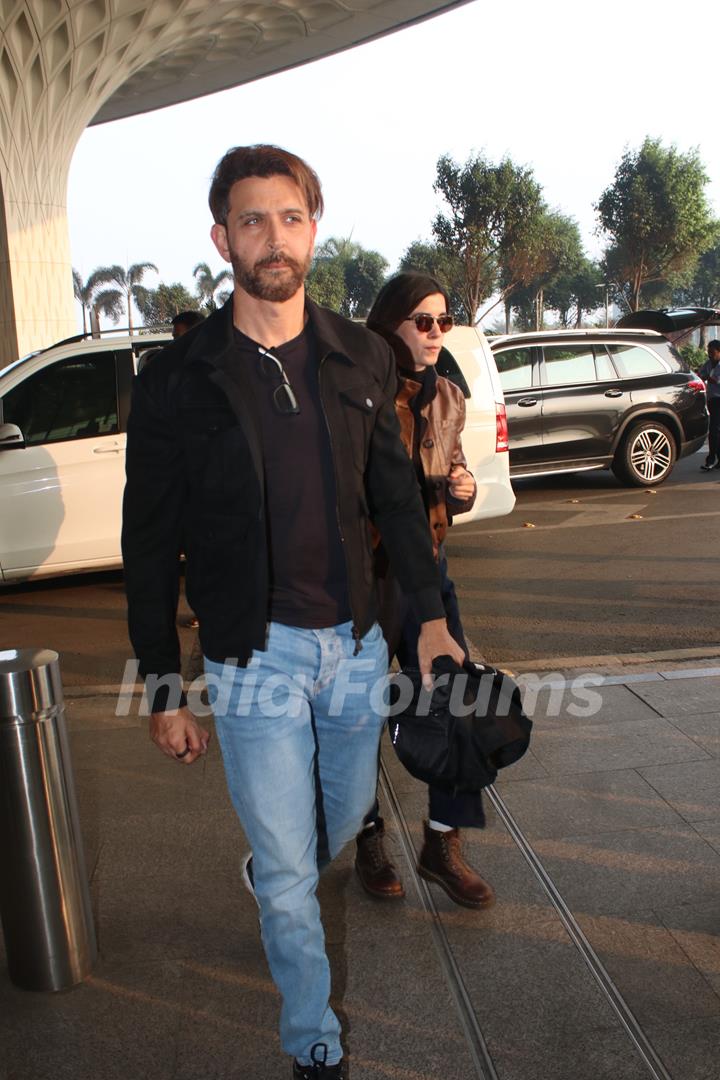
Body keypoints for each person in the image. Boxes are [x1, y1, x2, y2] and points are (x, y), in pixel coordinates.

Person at [121, 145, 464, 1080]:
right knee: (288, 875)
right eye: (251, 219)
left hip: (353, 648)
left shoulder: (361, 353)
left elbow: (395, 498)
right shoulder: (178, 378)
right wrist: (162, 684)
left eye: (289, 216)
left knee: (342, 816)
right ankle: (314, 1040)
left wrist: (429, 617)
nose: (272, 237)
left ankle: (278, 866)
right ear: (221, 237)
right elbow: (148, 541)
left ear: (314, 226)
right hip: (252, 654)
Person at [354, 272, 495, 911]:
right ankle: (366, 836)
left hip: (427, 575)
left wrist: (459, 490)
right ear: (390, 325)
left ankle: (443, 842)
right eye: (423, 321)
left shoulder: (448, 398)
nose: (437, 332)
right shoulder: (356, 395)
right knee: (354, 715)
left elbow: (450, 471)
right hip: (363, 577)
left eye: (443, 320)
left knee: (455, 700)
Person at [699, 339, 720, 471]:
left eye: (712, 352)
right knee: (715, 431)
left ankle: (711, 459)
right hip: (712, 400)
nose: (709, 355)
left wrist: (708, 378)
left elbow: (715, 380)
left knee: (714, 431)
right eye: (708, 352)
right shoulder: (708, 364)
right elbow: (700, 375)